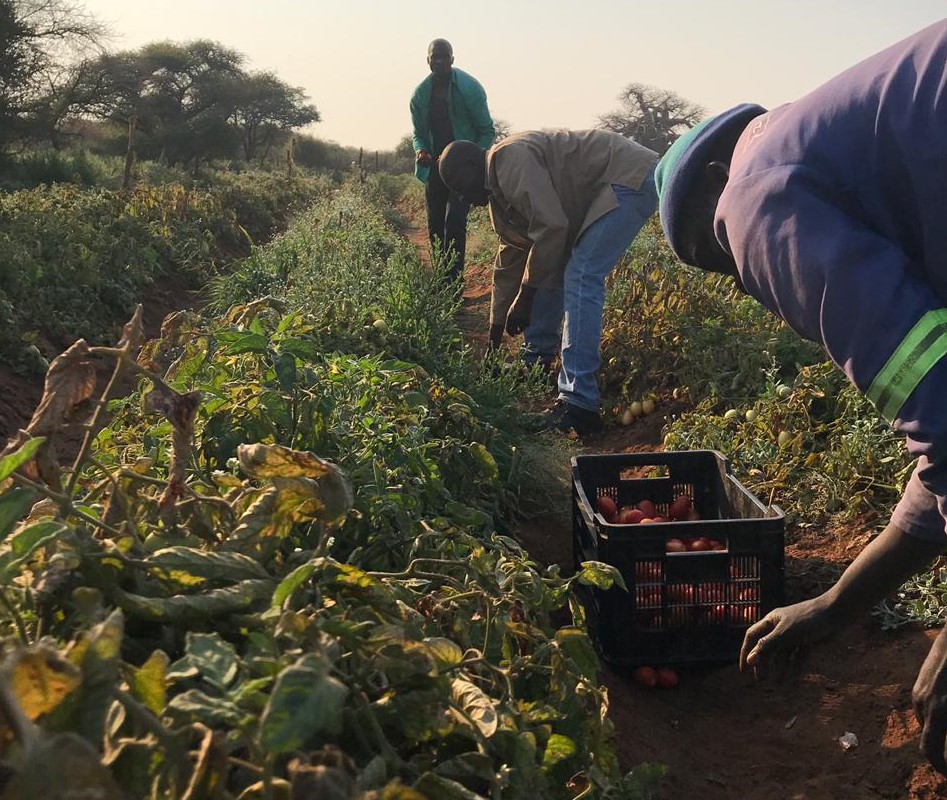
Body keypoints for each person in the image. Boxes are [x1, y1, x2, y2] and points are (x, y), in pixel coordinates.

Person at [653, 19, 947, 774]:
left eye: (720, 258)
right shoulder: (843, 151)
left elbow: (940, 412)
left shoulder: (749, 196)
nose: (744, 276)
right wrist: (836, 606)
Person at [438, 129, 658, 435]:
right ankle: (537, 362)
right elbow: (509, 262)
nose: (461, 197)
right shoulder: (498, 198)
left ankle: (580, 405)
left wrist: (526, 298)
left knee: (581, 273)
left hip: (627, 176)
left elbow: (552, 225)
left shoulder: (507, 159)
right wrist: (494, 336)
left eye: (459, 186)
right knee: (551, 260)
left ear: (473, 164)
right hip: (609, 184)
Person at [409, 39, 495, 285]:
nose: (439, 61)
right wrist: (421, 150)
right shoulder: (419, 95)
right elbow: (418, 134)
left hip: (463, 171)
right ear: (428, 60)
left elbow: (486, 130)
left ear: (452, 59)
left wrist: (476, 160)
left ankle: (454, 283)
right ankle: (440, 281)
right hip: (435, 168)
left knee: (455, 221)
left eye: (444, 56)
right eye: (434, 57)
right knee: (435, 224)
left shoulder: (470, 89)